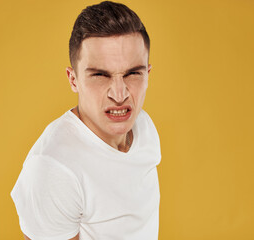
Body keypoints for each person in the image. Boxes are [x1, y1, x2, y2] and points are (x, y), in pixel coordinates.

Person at [11, 1, 161, 239]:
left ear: (147, 75)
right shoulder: (55, 167)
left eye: (133, 73)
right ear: (73, 80)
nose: (120, 95)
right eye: (100, 75)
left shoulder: (144, 126)